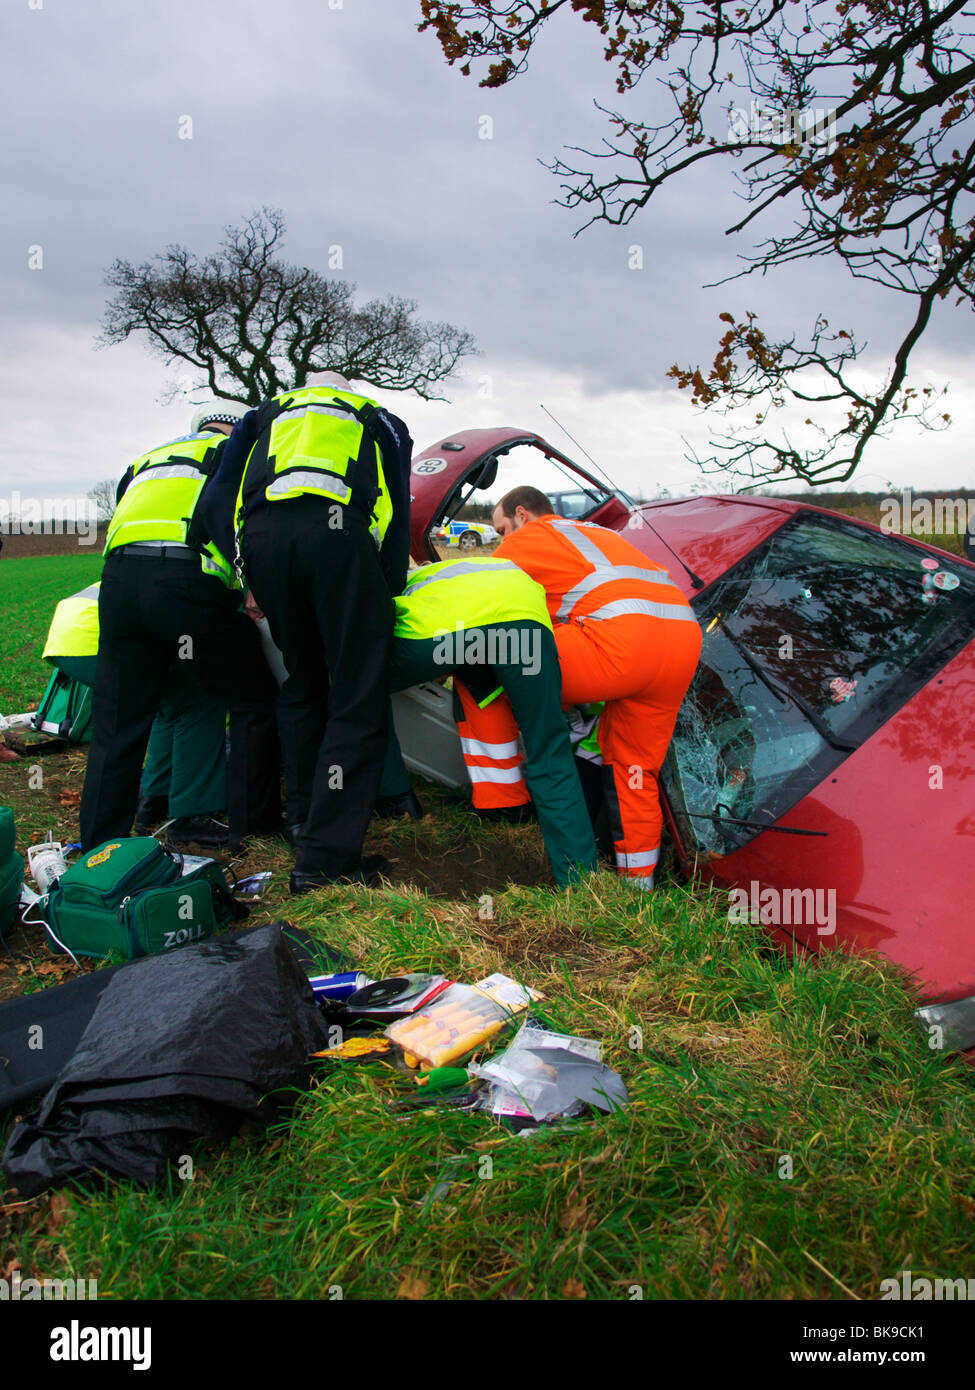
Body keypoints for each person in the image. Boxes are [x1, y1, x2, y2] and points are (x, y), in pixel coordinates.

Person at [199, 371, 413, 894]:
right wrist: (387, 586)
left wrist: (244, 571)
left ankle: (302, 820)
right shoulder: (374, 416)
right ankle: (324, 861)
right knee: (356, 694)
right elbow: (399, 504)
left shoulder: (260, 416)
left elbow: (214, 501)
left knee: (301, 683)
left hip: (267, 544)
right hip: (338, 537)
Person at [79, 404, 281, 851]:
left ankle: (99, 850)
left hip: (117, 586)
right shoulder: (238, 452)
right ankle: (256, 824)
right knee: (254, 699)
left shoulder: (151, 458)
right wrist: (255, 588)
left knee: (117, 726)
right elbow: (247, 524)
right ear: (240, 426)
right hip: (185, 584)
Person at [492, 486, 702, 890]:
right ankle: (639, 886)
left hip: (622, 647)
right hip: (681, 643)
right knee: (636, 769)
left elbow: (486, 590)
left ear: (522, 515)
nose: (504, 540)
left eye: (503, 530)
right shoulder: (601, 533)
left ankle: (502, 799)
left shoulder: (534, 536)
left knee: (498, 653)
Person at [383, 555, 598, 888]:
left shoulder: (408, 581)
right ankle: (582, 881)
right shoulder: (489, 566)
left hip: (445, 636)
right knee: (549, 746)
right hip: (524, 622)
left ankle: (395, 799)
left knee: (360, 689)